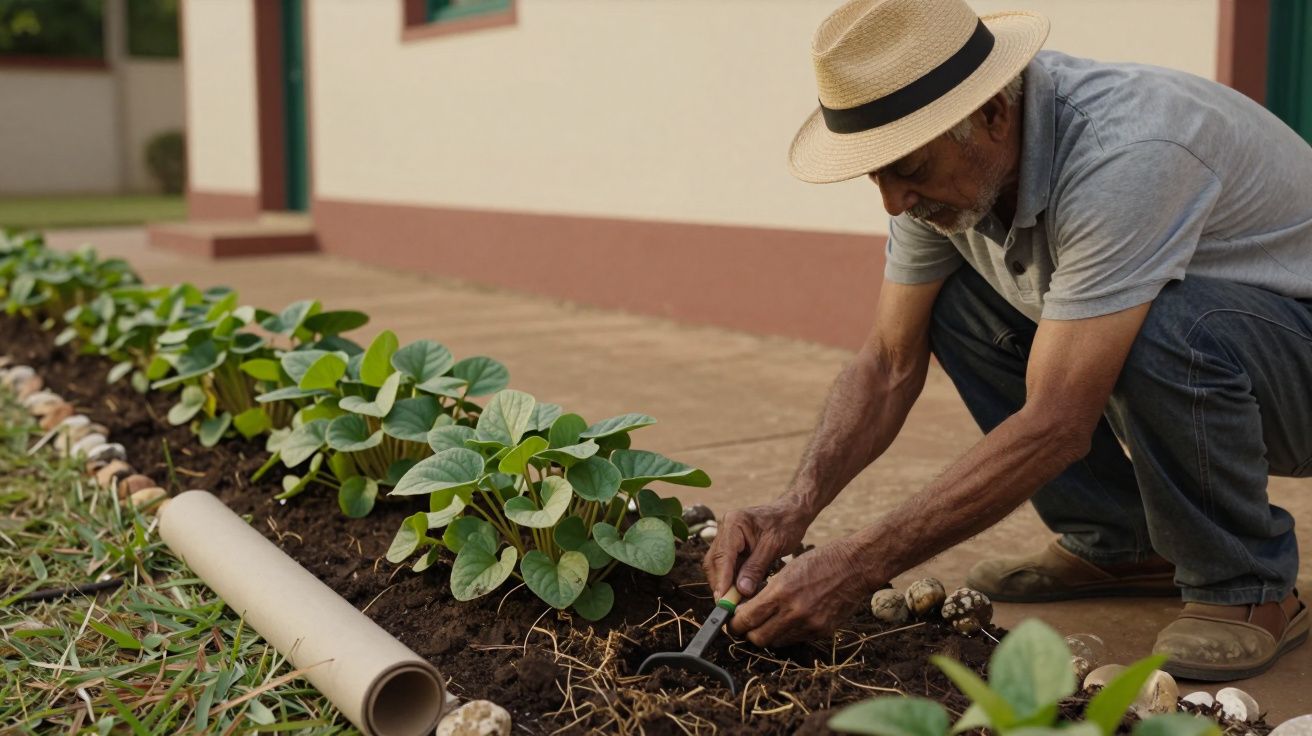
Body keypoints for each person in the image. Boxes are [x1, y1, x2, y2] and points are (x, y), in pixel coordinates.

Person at [704, 0, 1312, 681]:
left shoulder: (1129, 155)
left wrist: (862, 561)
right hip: (1242, 356)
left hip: (1296, 361)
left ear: (993, 113)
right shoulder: (939, 166)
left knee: (1169, 325)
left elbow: (1057, 422)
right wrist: (796, 506)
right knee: (957, 305)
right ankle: (1122, 543)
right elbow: (887, 365)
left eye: (907, 169)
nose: (892, 202)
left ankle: (1249, 585)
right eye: (876, 175)